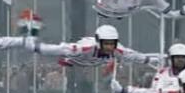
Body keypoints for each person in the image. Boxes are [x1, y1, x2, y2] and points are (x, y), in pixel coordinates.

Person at [25, 25, 156, 68]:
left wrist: (148, 60)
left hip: (95, 64)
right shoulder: (84, 47)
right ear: (99, 41)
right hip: (76, 60)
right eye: (107, 43)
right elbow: (59, 49)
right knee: (66, 55)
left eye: (112, 43)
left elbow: (132, 54)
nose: (110, 47)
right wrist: (37, 48)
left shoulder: (118, 49)